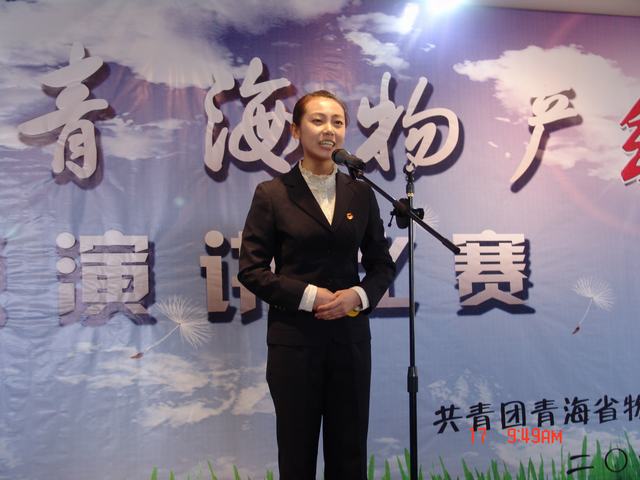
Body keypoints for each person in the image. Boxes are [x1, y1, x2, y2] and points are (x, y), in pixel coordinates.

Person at [238, 90, 396, 480]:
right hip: (295, 345)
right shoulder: (272, 194)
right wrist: (309, 296)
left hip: (350, 342)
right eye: (318, 120)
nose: (329, 130)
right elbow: (251, 269)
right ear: (296, 130)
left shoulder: (362, 192)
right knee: (297, 456)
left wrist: (358, 295)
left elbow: (381, 264)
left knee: (350, 456)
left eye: (338, 122)